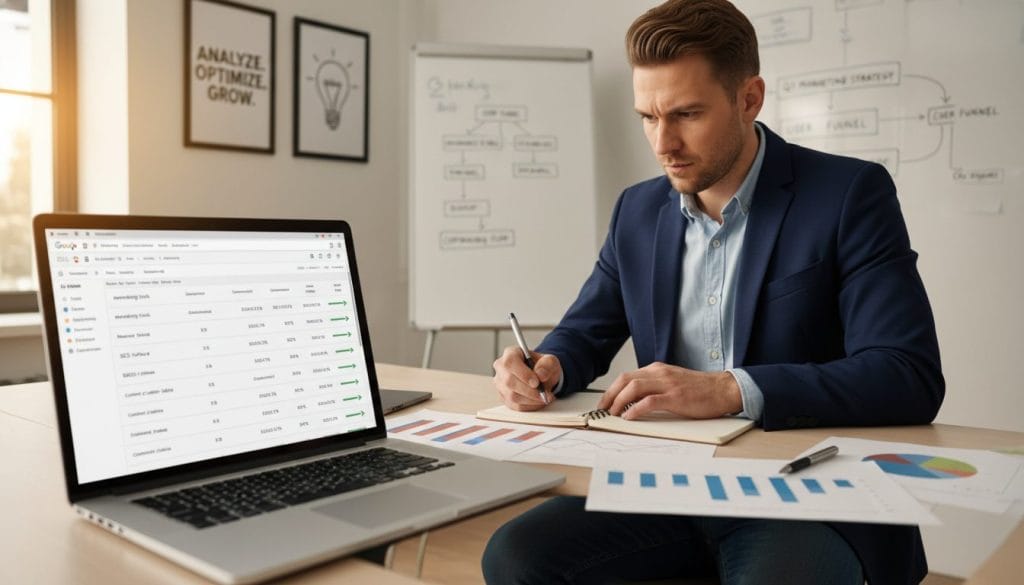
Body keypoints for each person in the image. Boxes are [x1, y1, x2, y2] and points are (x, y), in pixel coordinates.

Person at [483, 0, 944, 584]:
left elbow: (907, 374)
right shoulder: (637, 210)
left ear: (750, 98)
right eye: (647, 117)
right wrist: (546, 365)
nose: (662, 142)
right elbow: (585, 332)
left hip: (805, 491)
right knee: (516, 556)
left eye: (686, 114)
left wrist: (727, 389)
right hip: (667, 484)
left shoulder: (849, 193)